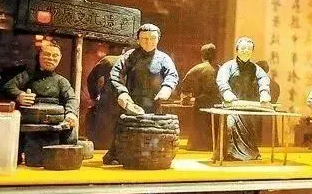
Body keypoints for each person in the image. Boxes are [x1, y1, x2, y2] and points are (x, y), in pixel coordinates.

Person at [104, 24, 179, 165]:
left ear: (158, 39)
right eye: (144, 38)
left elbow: (172, 75)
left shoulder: (164, 58)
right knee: (126, 129)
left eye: (152, 38)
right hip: (132, 101)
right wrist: (122, 93)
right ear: (138, 39)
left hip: (155, 101)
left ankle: (152, 156)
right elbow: (116, 74)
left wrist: (167, 88)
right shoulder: (130, 56)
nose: (148, 42)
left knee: (152, 131)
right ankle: (117, 155)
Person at [4, 41, 79, 147]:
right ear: (39, 56)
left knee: (69, 133)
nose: (51, 58)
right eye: (47, 54)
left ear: (60, 58)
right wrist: (19, 95)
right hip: (31, 119)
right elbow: (8, 86)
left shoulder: (61, 81)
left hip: (54, 121)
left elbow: (71, 98)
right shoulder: (28, 75)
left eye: (55, 55)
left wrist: (71, 113)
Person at [216, 37, 272, 161]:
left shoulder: (255, 68)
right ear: (237, 50)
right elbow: (221, 80)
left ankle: (251, 153)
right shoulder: (228, 66)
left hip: (248, 104)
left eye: (249, 49)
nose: (245, 51)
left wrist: (264, 92)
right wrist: (226, 92)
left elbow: (264, 79)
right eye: (243, 48)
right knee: (230, 125)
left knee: (249, 130)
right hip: (232, 104)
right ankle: (230, 153)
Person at [179, 43, 220, 151]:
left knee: (200, 128)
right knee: (214, 127)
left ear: (202, 55)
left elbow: (185, 85)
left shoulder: (197, 68)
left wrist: (187, 98)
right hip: (217, 104)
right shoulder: (220, 69)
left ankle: (198, 146)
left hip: (201, 103)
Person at [85, 52, 121, 148]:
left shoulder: (110, 61)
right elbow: (92, 78)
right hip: (110, 103)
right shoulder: (110, 61)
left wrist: (94, 97)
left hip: (111, 103)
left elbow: (91, 78)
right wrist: (94, 97)